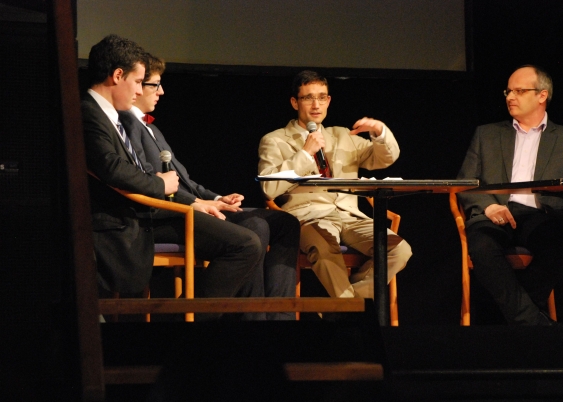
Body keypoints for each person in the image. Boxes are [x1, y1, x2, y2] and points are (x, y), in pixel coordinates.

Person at [82, 35, 262, 317]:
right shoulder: (88, 113)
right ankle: (188, 328)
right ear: (118, 75)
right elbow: (112, 168)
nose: (141, 90)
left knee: (250, 236)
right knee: (245, 244)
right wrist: (160, 184)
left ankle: (192, 322)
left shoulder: (109, 116)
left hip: (145, 210)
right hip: (123, 222)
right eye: (139, 81)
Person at [119, 54, 300, 320]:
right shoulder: (129, 126)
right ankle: (248, 320)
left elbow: (186, 181)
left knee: (284, 223)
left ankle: (277, 317)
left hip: (194, 205)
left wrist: (216, 197)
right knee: (255, 229)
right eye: (154, 85)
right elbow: (154, 183)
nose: (162, 91)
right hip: (169, 214)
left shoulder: (152, 130)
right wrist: (199, 204)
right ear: (136, 87)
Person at [456, 65, 563, 325]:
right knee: (482, 244)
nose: (510, 96)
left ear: (542, 96)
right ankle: (536, 324)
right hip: (495, 213)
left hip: (541, 216)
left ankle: (523, 320)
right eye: (508, 91)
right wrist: (488, 207)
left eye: (519, 91)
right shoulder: (486, 134)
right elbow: (464, 182)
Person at [258, 70, 412, 300]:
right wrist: (304, 154)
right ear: (294, 102)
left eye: (322, 97)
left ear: (329, 101)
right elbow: (268, 188)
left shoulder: (342, 135)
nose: (316, 105)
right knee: (324, 248)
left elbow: (384, 158)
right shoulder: (275, 140)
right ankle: (350, 313)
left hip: (349, 216)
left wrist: (379, 132)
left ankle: (341, 310)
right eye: (308, 97)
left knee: (399, 249)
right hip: (308, 217)